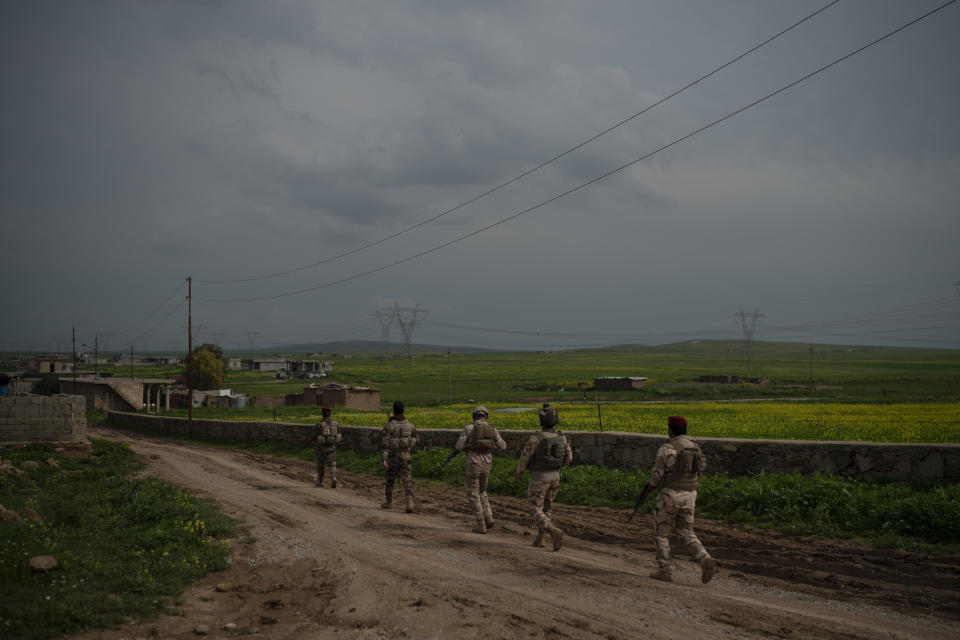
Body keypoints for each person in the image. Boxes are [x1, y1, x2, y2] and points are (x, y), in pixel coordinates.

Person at [642, 415, 716, 584]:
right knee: (687, 533)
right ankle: (705, 559)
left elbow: (657, 477)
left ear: (670, 429)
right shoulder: (694, 448)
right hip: (690, 496)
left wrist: (649, 487)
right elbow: (700, 469)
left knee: (661, 533)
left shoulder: (667, 448)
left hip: (670, 496)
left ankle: (665, 570)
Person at [513, 405, 571, 550]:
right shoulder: (562, 437)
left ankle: (552, 531)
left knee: (534, 508)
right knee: (547, 508)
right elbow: (569, 458)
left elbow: (525, 457)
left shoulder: (536, 438)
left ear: (541, 420)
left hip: (540, 476)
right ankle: (541, 539)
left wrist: (519, 472)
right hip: (555, 476)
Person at [454, 405, 507, 534]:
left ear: (474, 416)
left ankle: (480, 524)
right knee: (482, 491)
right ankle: (489, 516)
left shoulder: (469, 428)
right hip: (487, 462)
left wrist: (468, 444)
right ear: (486, 416)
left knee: (473, 493)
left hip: (473, 462)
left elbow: (459, 446)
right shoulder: (492, 429)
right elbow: (503, 446)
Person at [380, 400, 418, 513]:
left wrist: (384, 458)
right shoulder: (410, 425)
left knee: (390, 480)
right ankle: (410, 502)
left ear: (394, 411)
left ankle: (389, 502)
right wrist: (409, 445)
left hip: (393, 457)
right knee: (407, 479)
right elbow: (417, 438)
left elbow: (385, 443)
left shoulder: (389, 425)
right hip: (406, 456)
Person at [314, 406, 342, 488]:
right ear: (330, 414)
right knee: (332, 464)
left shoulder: (319, 424)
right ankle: (333, 477)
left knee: (321, 465)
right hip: (331, 446)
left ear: (322, 414)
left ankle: (320, 482)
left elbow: (314, 436)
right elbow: (339, 434)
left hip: (321, 447)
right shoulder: (335, 424)